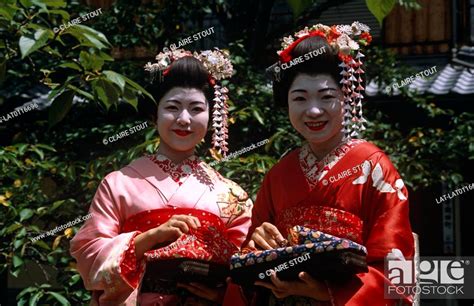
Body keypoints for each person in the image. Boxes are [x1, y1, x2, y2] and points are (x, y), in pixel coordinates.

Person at [233, 23, 414, 306]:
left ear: (348, 98)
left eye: (327, 97)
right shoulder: (279, 174)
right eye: (300, 98)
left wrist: (325, 292)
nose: (313, 110)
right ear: (287, 103)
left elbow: (399, 270)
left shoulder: (374, 166)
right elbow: (247, 265)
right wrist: (257, 244)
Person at [70, 49, 253, 306]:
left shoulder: (232, 194)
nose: (184, 119)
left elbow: (246, 267)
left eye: (197, 108)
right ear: (154, 114)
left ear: (212, 117)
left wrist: (223, 294)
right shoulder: (118, 183)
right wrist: (149, 239)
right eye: (172, 107)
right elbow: (87, 252)